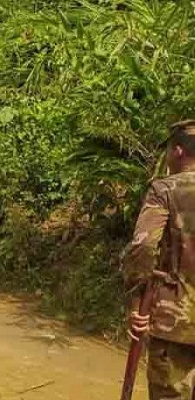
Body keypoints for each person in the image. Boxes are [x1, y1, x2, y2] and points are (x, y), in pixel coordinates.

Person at [123, 120, 195, 400]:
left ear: (177, 151)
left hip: (173, 322)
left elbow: (142, 248)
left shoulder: (164, 190)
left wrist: (134, 303)